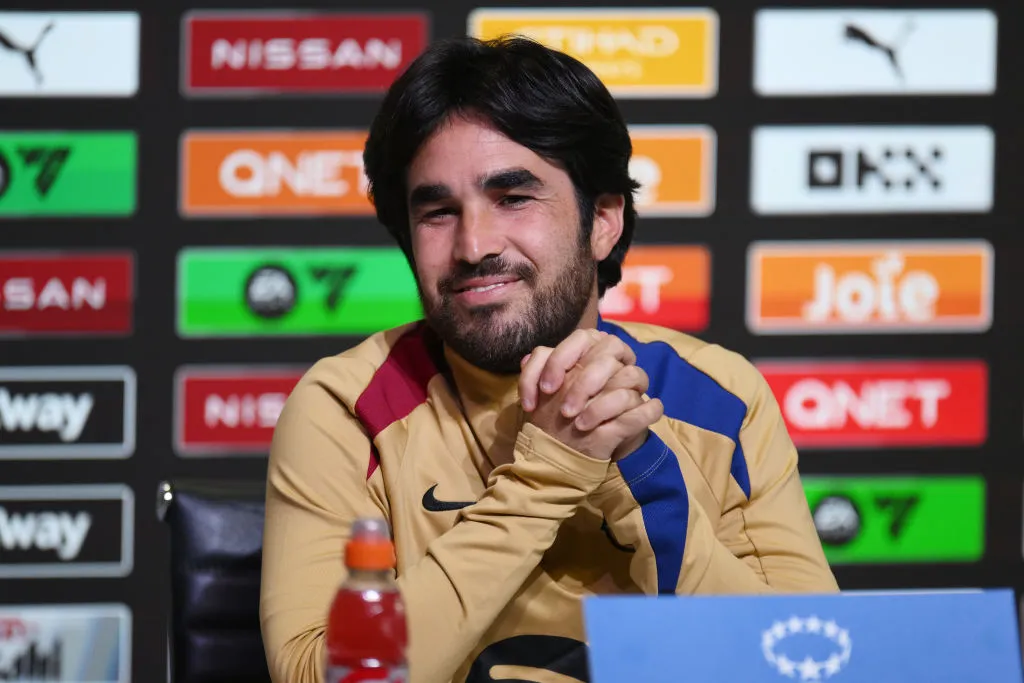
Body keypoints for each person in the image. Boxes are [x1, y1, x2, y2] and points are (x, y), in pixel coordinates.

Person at [259, 34, 839, 683]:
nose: (474, 244)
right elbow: (323, 674)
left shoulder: (718, 395)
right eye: (438, 212)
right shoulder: (348, 406)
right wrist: (551, 472)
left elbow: (811, 660)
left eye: (514, 198)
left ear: (604, 219)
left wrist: (640, 471)